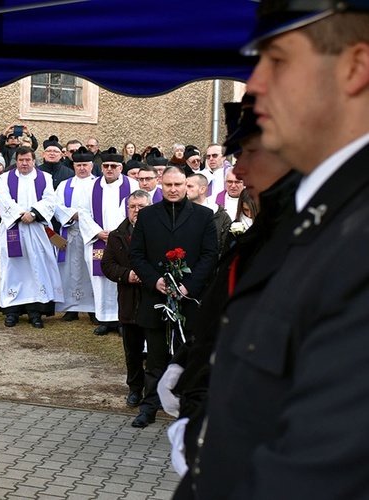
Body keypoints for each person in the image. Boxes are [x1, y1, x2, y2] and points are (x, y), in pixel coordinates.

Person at [160, 94, 298, 487]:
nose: (240, 170)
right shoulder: (267, 230)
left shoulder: (309, 238)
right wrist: (185, 361)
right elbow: (225, 312)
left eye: (251, 152)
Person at [128, 166, 218, 428]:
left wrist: (187, 287)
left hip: (189, 299)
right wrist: (155, 280)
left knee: (187, 355)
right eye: (168, 185)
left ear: (186, 185)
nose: (173, 189)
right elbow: (136, 254)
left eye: (178, 184)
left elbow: (210, 255)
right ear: (160, 184)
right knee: (155, 356)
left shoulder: (203, 216)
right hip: (155, 296)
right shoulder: (147, 216)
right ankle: (150, 406)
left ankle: (188, 409)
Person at [0, 146, 62, 329]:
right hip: (14, 228)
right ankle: (12, 311)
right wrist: (20, 214)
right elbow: (3, 199)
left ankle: (36, 311)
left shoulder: (45, 178)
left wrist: (33, 214)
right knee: (14, 268)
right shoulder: (5, 178)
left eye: (28, 160)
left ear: (34, 161)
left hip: (37, 230)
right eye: (20, 160)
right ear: (16, 161)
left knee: (37, 267)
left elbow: (50, 200)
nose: (24, 163)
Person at [77, 148, 139, 335]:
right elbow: (83, 212)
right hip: (99, 239)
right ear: (101, 167)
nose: (109, 169)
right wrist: (97, 232)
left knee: (122, 277)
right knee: (101, 279)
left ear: (120, 167)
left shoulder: (133, 185)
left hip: (124, 240)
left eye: (114, 166)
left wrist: (118, 234)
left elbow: (137, 210)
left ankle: (122, 319)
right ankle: (104, 319)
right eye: (106, 166)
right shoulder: (91, 186)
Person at [101, 190, 152, 407]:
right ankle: (135, 389)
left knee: (157, 353)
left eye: (142, 207)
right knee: (132, 351)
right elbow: (107, 265)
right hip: (129, 302)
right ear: (127, 208)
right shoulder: (117, 235)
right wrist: (127, 275)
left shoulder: (159, 232)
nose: (137, 211)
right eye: (133, 207)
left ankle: (154, 391)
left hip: (153, 300)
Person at [53, 147, 96, 322]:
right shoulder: (65, 185)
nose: (82, 168)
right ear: (74, 166)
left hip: (91, 236)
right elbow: (56, 206)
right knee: (69, 270)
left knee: (90, 270)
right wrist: (72, 215)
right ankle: (71, 308)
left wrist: (84, 218)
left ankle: (93, 309)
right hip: (70, 232)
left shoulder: (98, 185)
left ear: (92, 166)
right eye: (78, 165)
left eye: (85, 165)